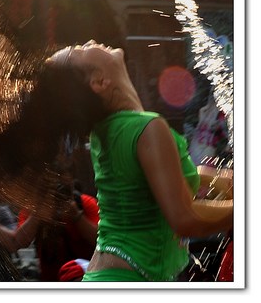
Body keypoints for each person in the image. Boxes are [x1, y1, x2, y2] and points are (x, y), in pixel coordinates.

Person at [32, 40, 233, 282]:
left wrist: (217, 178)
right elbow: (185, 219)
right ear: (99, 81)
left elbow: (149, 183)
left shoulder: (108, 130)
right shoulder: (146, 127)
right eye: (81, 50)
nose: (90, 42)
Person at [0, 175, 99, 281]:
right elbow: (17, 242)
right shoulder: (34, 209)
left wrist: (76, 215)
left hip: (86, 278)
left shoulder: (85, 204)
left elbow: (102, 241)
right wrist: (38, 214)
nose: (55, 200)